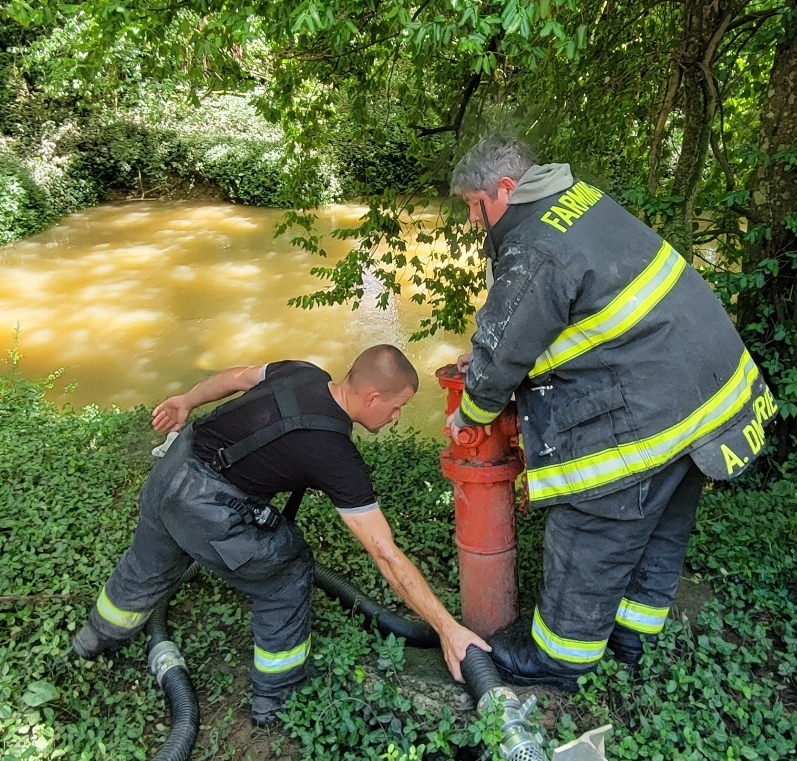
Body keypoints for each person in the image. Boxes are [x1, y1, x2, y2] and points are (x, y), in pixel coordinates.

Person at [447, 136, 777, 691]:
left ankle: (558, 660)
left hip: (653, 407)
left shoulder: (533, 243)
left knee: (591, 529)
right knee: (662, 523)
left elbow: (505, 344)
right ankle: (630, 635)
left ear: (504, 190)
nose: (475, 222)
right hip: (709, 395)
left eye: (474, 206)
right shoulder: (582, 200)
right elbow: (577, 317)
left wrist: (472, 412)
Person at [72, 344, 488, 724]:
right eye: (397, 408)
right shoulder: (337, 457)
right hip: (205, 510)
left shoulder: (302, 372)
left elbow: (235, 377)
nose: (397, 418)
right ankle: (277, 698)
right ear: (372, 398)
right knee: (287, 573)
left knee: (147, 562)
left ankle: (92, 640)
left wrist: (185, 401)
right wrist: (448, 629)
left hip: (170, 474)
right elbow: (385, 553)